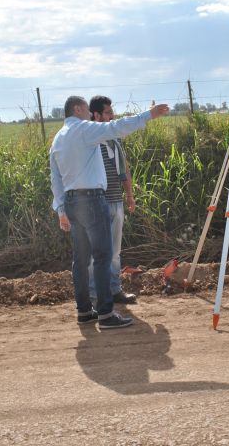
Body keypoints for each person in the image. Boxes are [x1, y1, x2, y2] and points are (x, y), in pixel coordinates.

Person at [50, 96, 169, 329]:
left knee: (81, 260)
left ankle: (84, 311)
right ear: (78, 109)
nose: (88, 113)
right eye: (85, 109)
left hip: (72, 202)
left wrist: (61, 209)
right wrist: (148, 115)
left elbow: (55, 179)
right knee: (104, 256)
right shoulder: (83, 129)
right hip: (93, 199)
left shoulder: (58, 138)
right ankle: (106, 314)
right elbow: (116, 127)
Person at [87, 95, 137, 305]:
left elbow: (123, 169)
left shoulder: (114, 139)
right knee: (96, 252)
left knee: (115, 250)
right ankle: (93, 295)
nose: (112, 116)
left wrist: (129, 195)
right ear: (96, 115)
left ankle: (115, 290)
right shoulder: (89, 138)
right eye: (107, 112)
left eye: (111, 111)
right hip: (96, 202)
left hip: (116, 200)